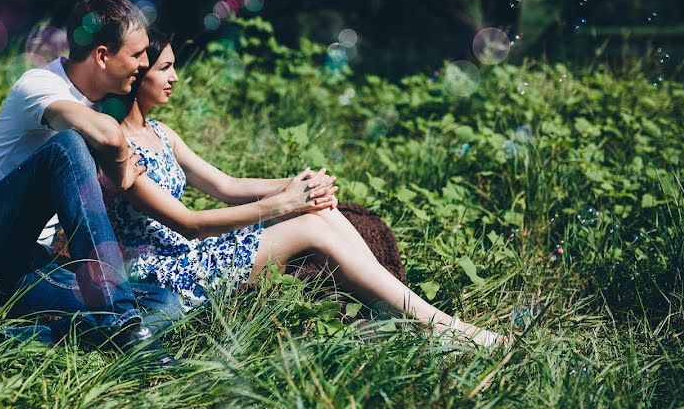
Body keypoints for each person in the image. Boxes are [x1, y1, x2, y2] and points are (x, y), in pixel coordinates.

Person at [106, 30, 508, 349]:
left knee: (321, 211)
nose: (175, 77)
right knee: (309, 226)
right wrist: (282, 203)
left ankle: (416, 313)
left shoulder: (162, 133)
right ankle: (448, 329)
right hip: (170, 273)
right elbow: (190, 224)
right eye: (165, 68)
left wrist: (300, 186)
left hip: (194, 256)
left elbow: (227, 186)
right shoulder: (118, 147)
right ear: (137, 75)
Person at [0, 0, 184, 363]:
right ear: (101, 55)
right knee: (68, 145)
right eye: (137, 54)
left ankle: (9, 338)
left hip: (22, 264)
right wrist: (119, 164)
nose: (144, 65)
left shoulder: (98, 106)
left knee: (164, 300)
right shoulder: (39, 85)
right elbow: (109, 138)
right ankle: (124, 324)